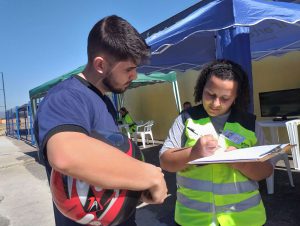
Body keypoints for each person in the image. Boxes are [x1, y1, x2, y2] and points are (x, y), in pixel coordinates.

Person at [34, 15, 168, 226]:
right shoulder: (66, 97)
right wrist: (148, 174)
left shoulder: (104, 101)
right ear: (100, 64)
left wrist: (137, 189)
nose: (134, 76)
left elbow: (106, 165)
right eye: (129, 69)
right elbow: (65, 155)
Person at [159, 59, 273, 226]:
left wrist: (242, 164)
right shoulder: (186, 119)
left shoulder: (250, 124)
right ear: (201, 89)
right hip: (194, 218)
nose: (215, 103)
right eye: (210, 94)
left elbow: (266, 170)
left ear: (236, 97)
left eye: (225, 98)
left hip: (244, 218)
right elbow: (165, 161)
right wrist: (193, 153)